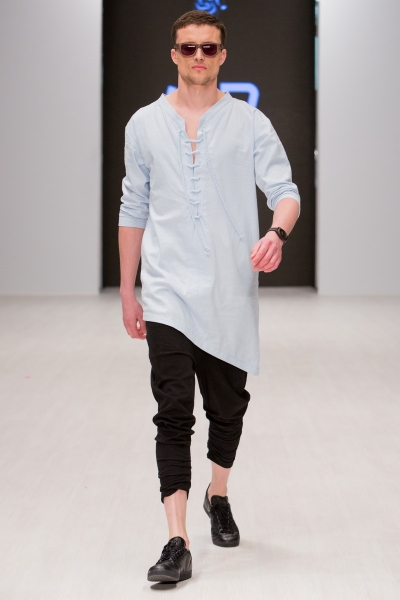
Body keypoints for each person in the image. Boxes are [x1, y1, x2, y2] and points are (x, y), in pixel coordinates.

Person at [118, 9, 300, 584]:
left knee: (227, 410)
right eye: (189, 47)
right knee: (172, 412)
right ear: (174, 54)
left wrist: (277, 233)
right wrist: (128, 288)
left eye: (209, 47)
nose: (199, 56)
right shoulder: (144, 124)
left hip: (228, 292)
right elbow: (133, 207)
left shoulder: (249, 122)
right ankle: (177, 541)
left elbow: (286, 191)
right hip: (166, 290)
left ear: (223, 55)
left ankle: (217, 495)